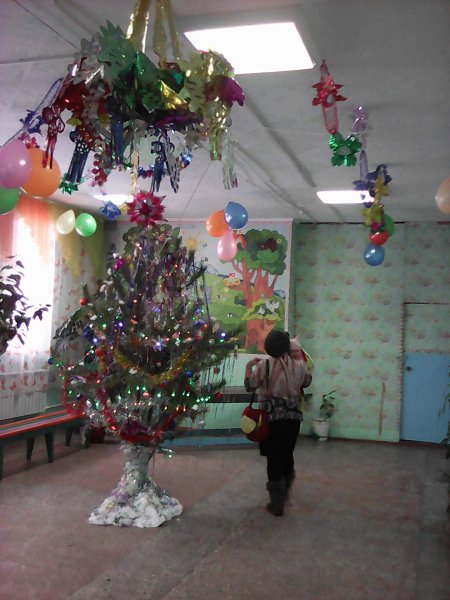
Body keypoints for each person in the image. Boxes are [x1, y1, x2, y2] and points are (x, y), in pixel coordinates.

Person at [244, 330, 312, 517]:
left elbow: (249, 385)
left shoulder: (264, 366)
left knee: (273, 458)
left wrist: (249, 367)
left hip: (270, 420)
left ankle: (276, 502)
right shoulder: (299, 366)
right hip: (293, 418)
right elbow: (307, 382)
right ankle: (286, 489)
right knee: (287, 453)